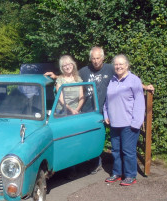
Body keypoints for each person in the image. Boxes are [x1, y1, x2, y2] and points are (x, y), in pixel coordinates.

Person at [45, 47, 153, 174]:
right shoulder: (85, 71)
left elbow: (126, 77)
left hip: (106, 110)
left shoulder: (111, 69)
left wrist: (145, 86)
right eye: (93, 58)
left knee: (114, 143)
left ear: (103, 58)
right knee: (90, 138)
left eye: (98, 58)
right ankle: (88, 165)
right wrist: (56, 76)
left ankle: (117, 170)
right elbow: (71, 76)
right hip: (88, 112)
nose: (96, 61)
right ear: (90, 59)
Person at [103, 54, 145, 186]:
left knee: (128, 151)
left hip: (129, 123)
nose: (118, 66)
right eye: (116, 64)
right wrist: (106, 115)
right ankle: (117, 173)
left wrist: (136, 123)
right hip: (115, 122)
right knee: (115, 150)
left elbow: (139, 102)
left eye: (121, 64)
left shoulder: (134, 80)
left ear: (127, 65)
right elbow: (107, 101)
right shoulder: (112, 80)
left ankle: (130, 175)